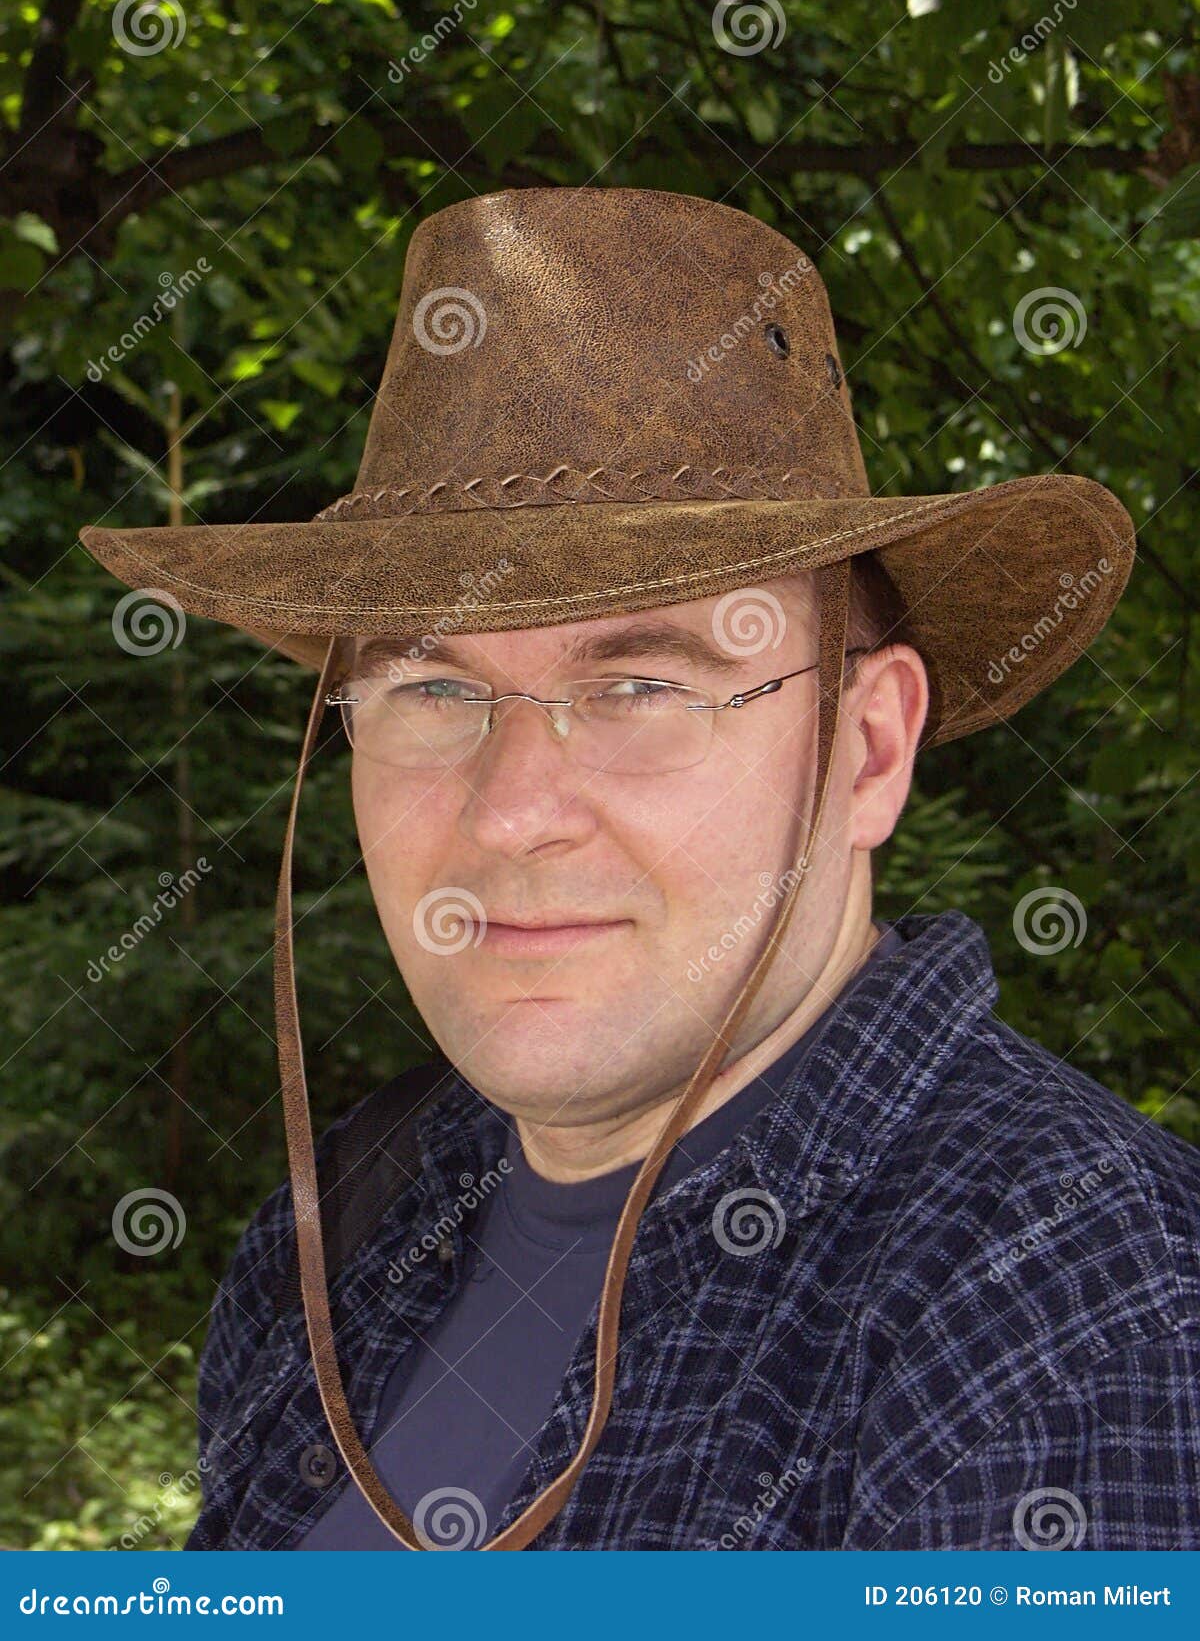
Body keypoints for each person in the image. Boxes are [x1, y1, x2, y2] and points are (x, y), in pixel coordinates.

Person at [78, 186, 1200, 1551]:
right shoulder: (336, 1236)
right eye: (433, 688)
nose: (515, 811)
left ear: (868, 746)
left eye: (644, 687)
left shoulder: (1073, 1294)